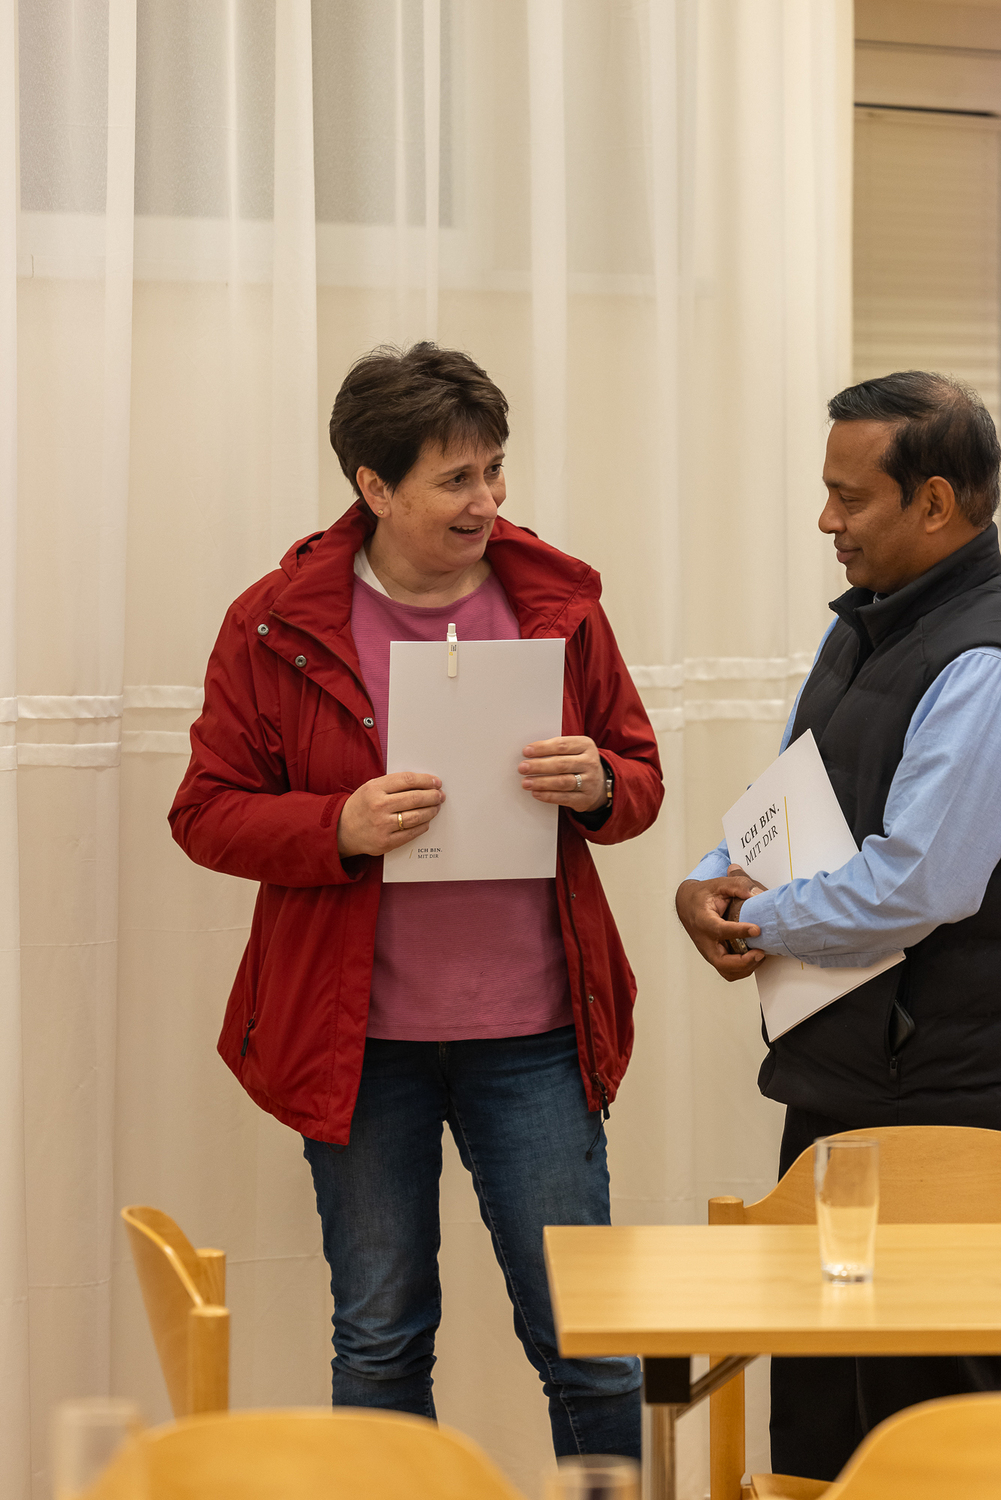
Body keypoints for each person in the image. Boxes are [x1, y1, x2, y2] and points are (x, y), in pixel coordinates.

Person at [169, 343, 663, 1459]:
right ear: (374, 487)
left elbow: (639, 779)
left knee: (589, 1344)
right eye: (455, 480)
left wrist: (597, 784)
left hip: (536, 1033)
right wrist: (334, 827)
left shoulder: (558, 605)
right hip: (359, 1044)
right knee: (380, 1339)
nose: (486, 500)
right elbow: (204, 811)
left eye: (494, 470)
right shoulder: (275, 621)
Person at [675, 371, 1001, 1481]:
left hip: (944, 1106)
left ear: (934, 503)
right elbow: (790, 801)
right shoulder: (863, 626)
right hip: (843, 1080)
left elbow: (918, 882)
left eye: (848, 497)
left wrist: (758, 921)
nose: (825, 520)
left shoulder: (981, 657)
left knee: (929, 1436)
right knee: (819, 1412)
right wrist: (709, 881)